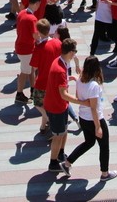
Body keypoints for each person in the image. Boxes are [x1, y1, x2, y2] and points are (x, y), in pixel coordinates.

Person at [62, 56, 117, 182]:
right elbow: (93, 108)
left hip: (83, 118)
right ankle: (105, 173)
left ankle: (67, 163)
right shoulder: (94, 86)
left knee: (89, 142)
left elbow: (78, 96)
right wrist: (98, 127)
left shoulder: (80, 80)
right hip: (95, 119)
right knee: (104, 146)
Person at [44, 38, 84, 177]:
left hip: (59, 106)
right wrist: (82, 102)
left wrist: (69, 77)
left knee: (64, 131)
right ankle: (53, 163)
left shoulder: (60, 61)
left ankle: (60, 153)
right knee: (58, 135)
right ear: (71, 52)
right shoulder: (60, 69)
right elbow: (64, 95)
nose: (75, 54)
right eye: (75, 51)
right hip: (56, 107)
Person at [30, 19, 62, 135]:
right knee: (47, 104)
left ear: (38, 32)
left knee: (38, 103)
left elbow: (34, 68)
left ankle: (49, 119)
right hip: (56, 80)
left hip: (43, 81)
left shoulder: (39, 48)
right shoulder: (57, 43)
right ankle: (43, 127)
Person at [14, 0, 40, 104]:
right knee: (24, 72)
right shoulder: (32, 18)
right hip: (27, 49)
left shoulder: (21, 13)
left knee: (30, 70)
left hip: (20, 46)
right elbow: (35, 35)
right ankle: (19, 94)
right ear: (37, 4)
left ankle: (33, 90)